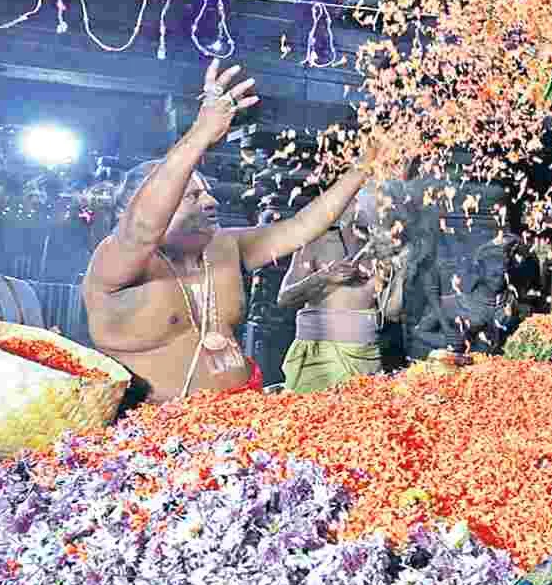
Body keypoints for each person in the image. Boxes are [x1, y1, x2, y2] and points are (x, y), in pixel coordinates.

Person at [83, 59, 378, 405]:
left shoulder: (225, 247)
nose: (210, 201)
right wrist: (202, 133)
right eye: (192, 196)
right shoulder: (117, 261)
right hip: (156, 425)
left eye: (206, 192)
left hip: (241, 412)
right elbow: (144, 227)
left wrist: (366, 164)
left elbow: (301, 227)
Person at [276, 187, 408, 392]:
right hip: (318, 357)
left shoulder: (385, 252)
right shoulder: (315, 243)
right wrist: (324, 277)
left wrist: (401, 272)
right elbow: (284, 299)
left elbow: (391, 313)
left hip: (365, 358)